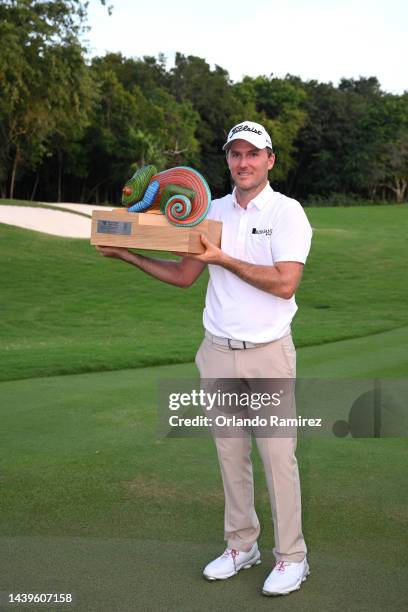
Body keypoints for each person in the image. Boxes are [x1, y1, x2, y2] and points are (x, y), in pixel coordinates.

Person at [96, 120, 313, 597]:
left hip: (268, 354)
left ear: (269, 160)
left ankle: (292, 557)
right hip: (216, 352)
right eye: (235, 154)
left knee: (278, 458)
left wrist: (225, 260)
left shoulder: (287, 213)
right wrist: (127, 256)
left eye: (252, 154)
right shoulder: (209, 212)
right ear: (228, 160)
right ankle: (242, 545)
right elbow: (183, 276)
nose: (243, 162)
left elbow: (285, 284)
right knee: (230, 455)